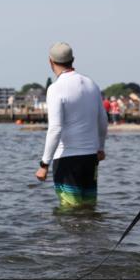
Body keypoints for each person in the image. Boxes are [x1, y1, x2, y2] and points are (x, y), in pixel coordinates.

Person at [34, 43, 108, 209]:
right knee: (89, 207)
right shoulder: (91, 84)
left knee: (69, 210)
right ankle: (92, 235)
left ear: (50, 62)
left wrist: (44, 164)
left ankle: (70, 236)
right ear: (72, 60)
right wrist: (101, 148)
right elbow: (103, 119)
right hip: (91, 157)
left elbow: (55, 128)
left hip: (67, 159)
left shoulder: (56, 88)